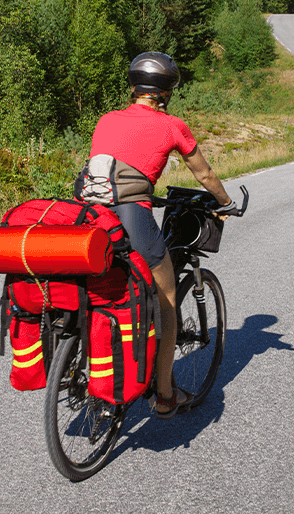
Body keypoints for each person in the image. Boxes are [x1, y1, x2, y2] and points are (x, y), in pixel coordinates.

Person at [82, 51, 233, 419]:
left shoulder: (106, 119)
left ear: (134, 86)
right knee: (166, 303)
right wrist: (225, 202)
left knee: (106, 290)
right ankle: (164, 395)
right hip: (134, 217)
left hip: (90, 218)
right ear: (164, 92)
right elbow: (205, 175)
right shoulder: (172, 126)